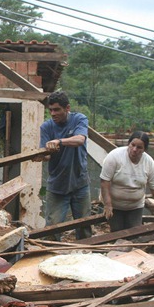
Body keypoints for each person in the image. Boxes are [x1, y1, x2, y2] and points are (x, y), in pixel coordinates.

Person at [34, 91, 92, 240]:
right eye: (51, 110)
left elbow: (80, 140)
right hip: (57, 185)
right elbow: (46, 155)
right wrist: (40, 156)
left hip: (80, 183)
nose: (53, 113)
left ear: (67, 108)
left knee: (84, 225)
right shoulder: (46, 127)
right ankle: (50, 258)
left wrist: (59, 141)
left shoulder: (79, 119)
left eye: (57, 109)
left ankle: (86, 256)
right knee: (52, 229)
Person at [100, 131, 154, 232]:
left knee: (134, 232)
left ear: (144, 149)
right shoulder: (114, 157)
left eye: (139, 147)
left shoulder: (149, 163)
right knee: (117, 232)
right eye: (132, 145)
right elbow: (104, 181)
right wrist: (108, 204)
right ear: (128, 144)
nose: (134, 150)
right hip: (115, 205)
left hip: (135, 206)